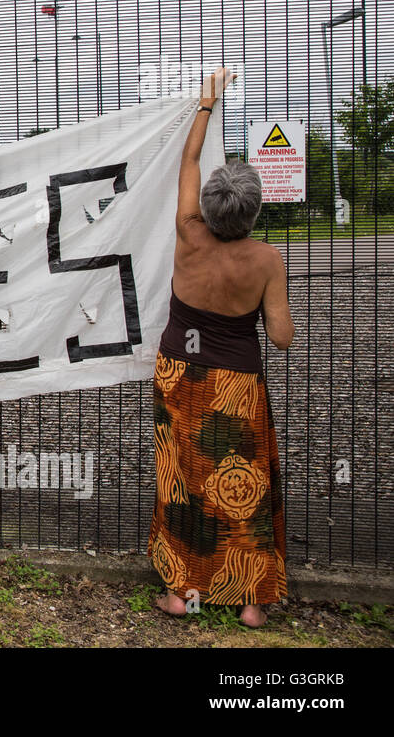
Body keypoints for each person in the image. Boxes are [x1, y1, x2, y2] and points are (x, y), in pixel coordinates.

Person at [148, 68, 294, 628]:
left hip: (180, 374)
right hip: (236, 382)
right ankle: (252, 601)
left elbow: (187, 163)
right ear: (253, 212)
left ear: (209, 207)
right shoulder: (265, 260)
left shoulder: (188, 231)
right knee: (245, 486)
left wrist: (207, 104)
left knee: (182, 477)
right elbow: (280, 338)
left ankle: (185, 592)